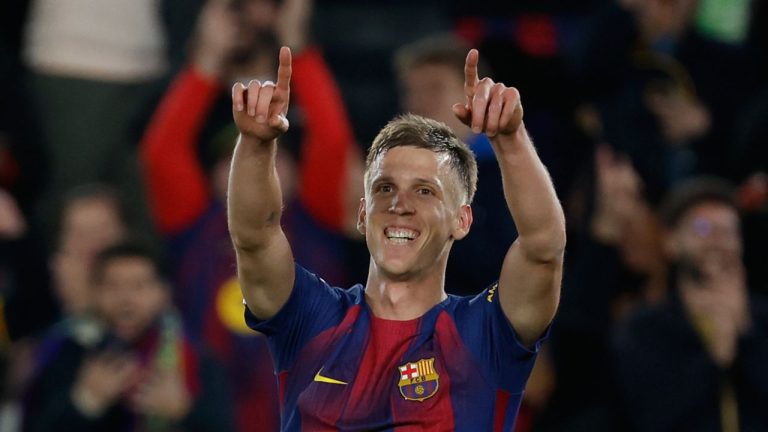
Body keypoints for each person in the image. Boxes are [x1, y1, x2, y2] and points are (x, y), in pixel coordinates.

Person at [228, 47, 565, 429]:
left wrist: (511, 139)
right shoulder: (311, 318)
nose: (399, 204)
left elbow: (543, 249)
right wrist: (255, 144)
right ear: (362, 213)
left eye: (425, 191)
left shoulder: (485, 332)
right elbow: (255, 237)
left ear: (461, 220)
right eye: (385, 188)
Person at [139, 0, 360, 429]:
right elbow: (162, 153)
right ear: (216, 176)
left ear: (298, 174)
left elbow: (331, 142)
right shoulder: (194, 223)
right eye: (238, 157)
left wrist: (298, 49)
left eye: (275, 156)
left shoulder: (317, 218)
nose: (258, 167)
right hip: (206, 415)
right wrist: (206, 62)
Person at [23, 240, 235, 432]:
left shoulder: (196, 357)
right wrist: (86, 401)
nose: (126, 300)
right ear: (94, 293)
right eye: (113, 286)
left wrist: (184, 410)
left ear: (164, 293)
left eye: (139, 286)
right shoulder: (69, 352)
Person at [613, 177, 768, 431]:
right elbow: (651, 415)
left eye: (729, 230)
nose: (718, 239)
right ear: (671, 242)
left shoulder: (762, 320)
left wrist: (744, 336)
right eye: (703, 228)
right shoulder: (644, 329)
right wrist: (716, 358)